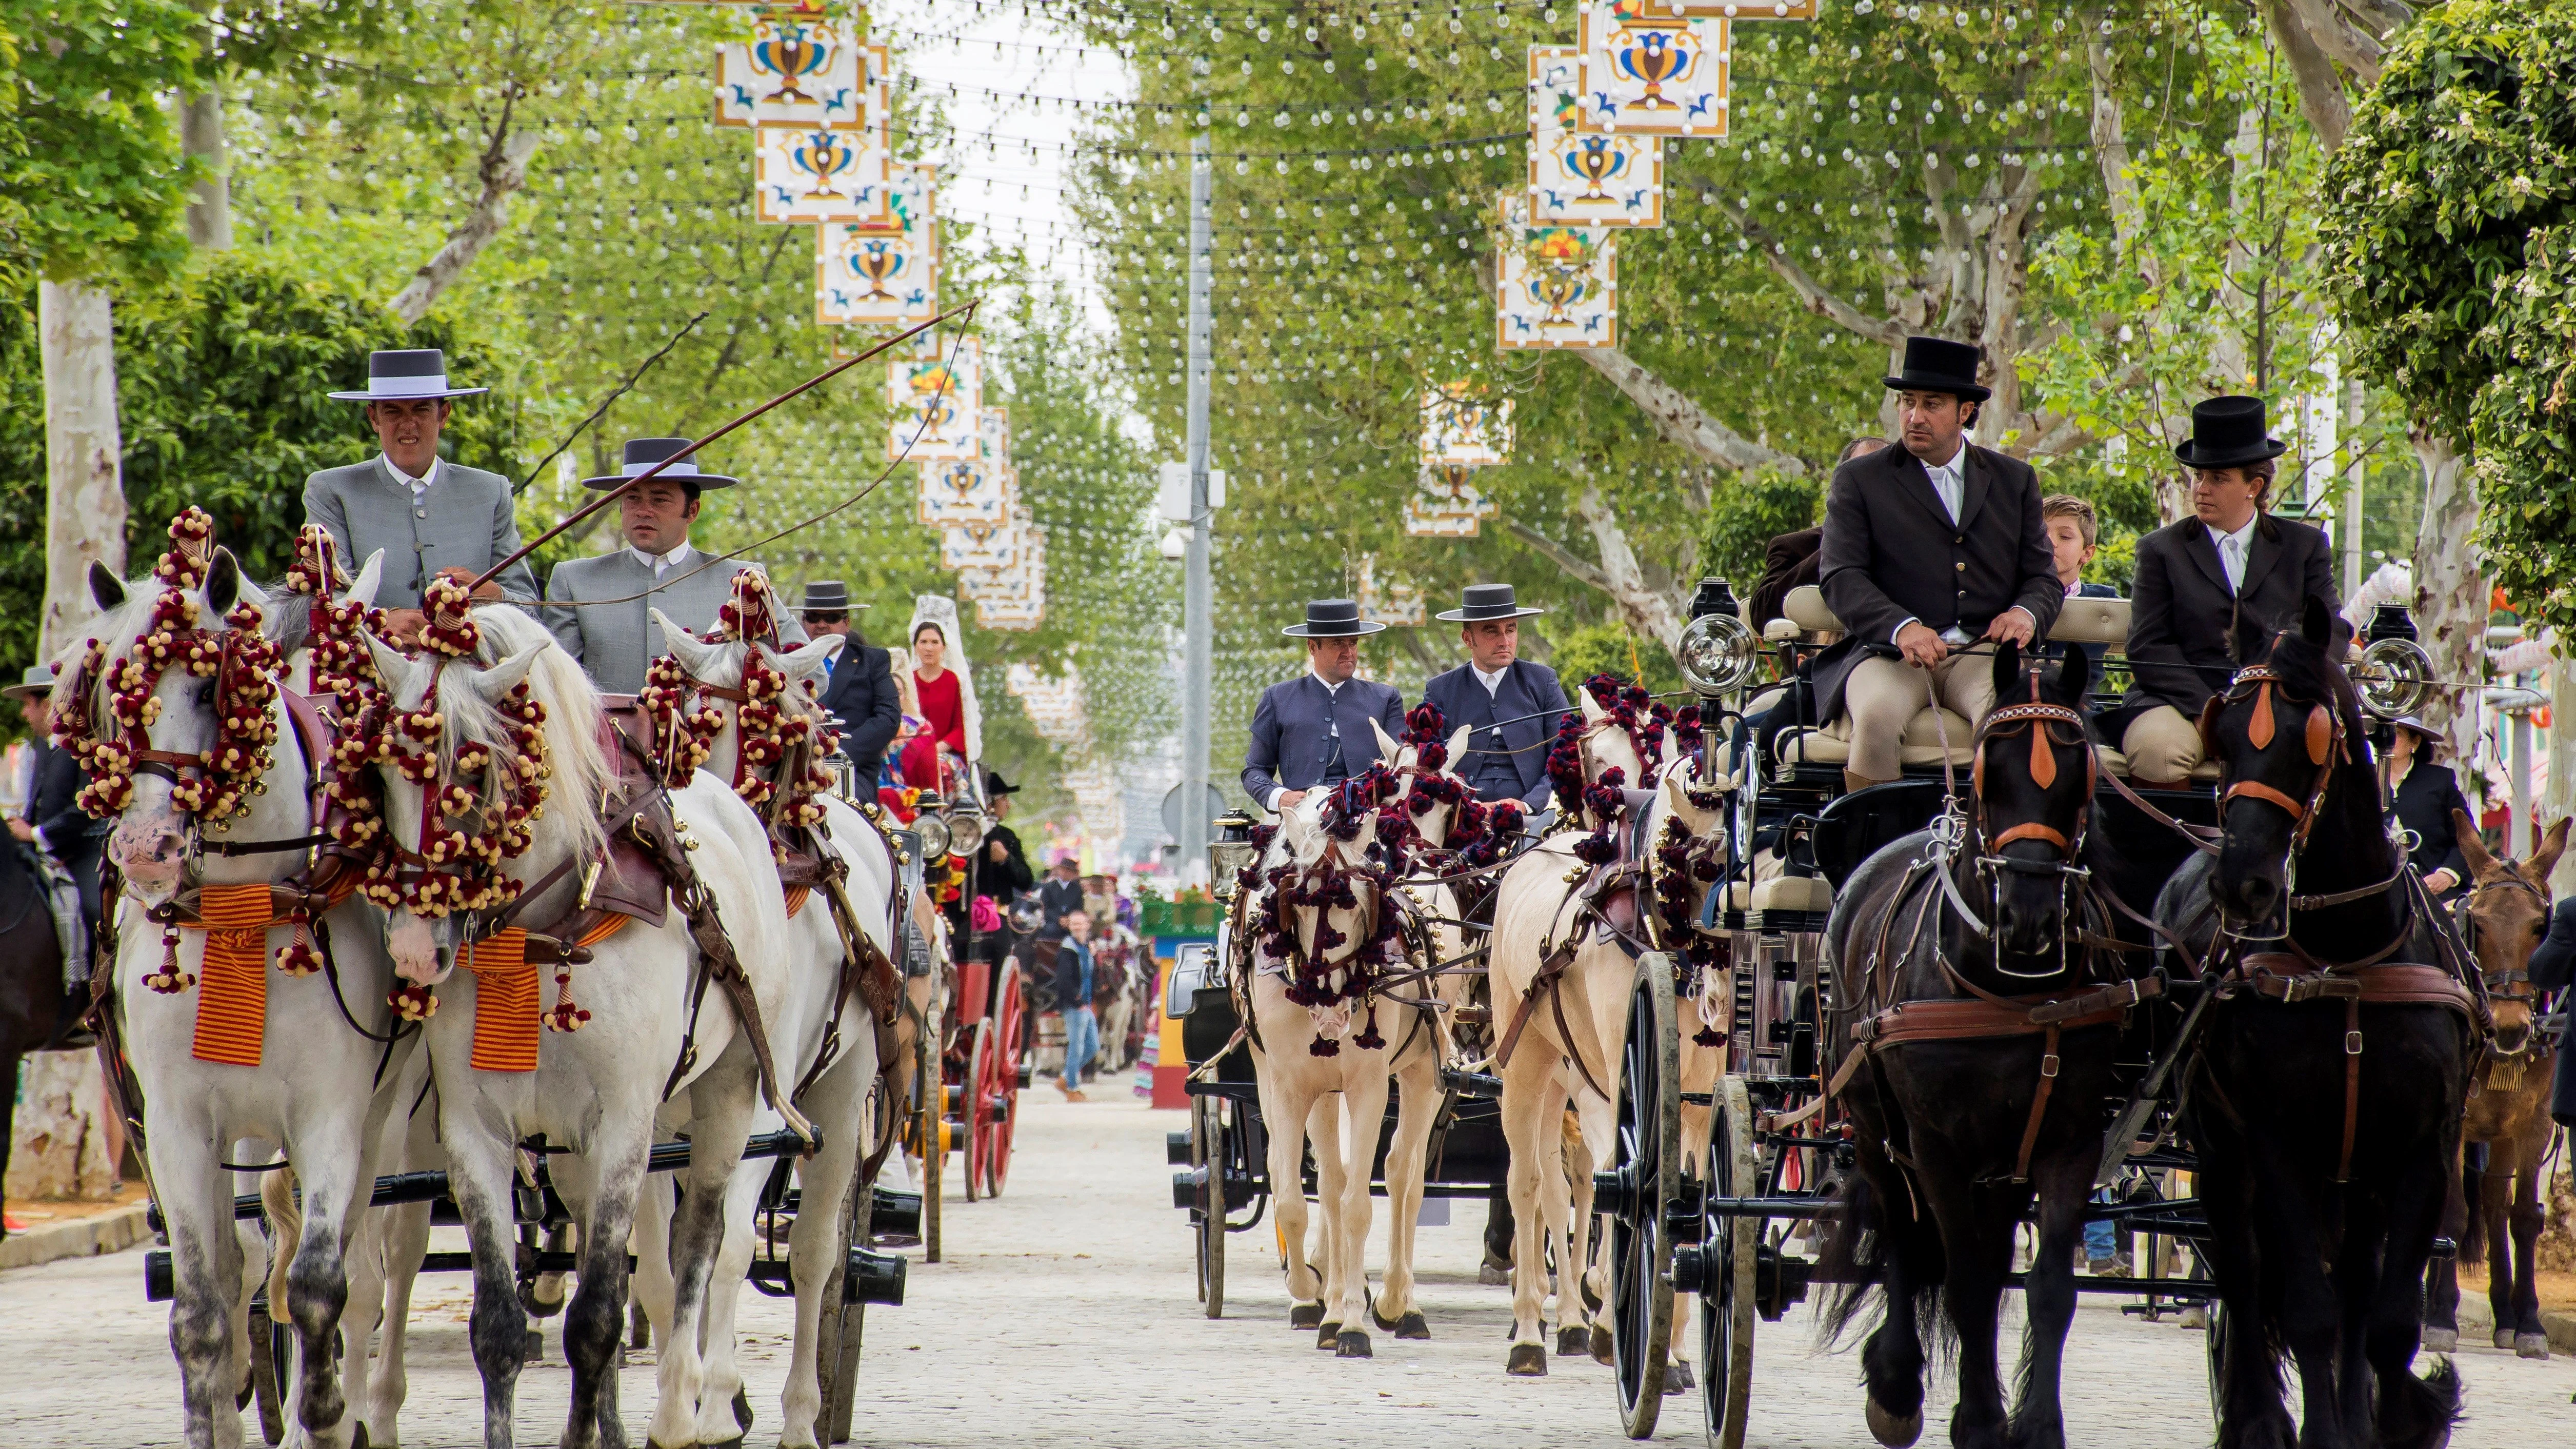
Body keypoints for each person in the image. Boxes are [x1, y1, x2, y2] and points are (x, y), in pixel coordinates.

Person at [1814, 337, 2062, 792]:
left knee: (2013, 715)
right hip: (1888, 655)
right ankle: (1876, 855)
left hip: (1982, 652)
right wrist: (1900, 626)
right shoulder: (1859, 479)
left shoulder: (2014, 480)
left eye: (1931, 404)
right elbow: (1840, 575)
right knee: (1875, 720)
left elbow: (2043, 578)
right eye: (1907, 402)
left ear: (1965, 411)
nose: (1913, 416)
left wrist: (2024, 614)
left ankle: (1993, 852)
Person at [2116, 397, 2348, 788]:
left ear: (2253, 487)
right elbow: (2147, 646)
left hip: (2280, 697)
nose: (2200, 489)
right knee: (2159, 750)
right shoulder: (2159, 549)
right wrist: (2210, 708)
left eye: (2217, 478)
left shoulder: (2305, 545)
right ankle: (2172, 847)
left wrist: (2278, 692)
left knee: (2316, 746)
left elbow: (2330, 631)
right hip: (2182, 701)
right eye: (2197, 476)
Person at [539, 437, 805, 696]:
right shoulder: (575, 579)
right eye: (632, 498)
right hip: (607, 738)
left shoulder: (740, 581)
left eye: (660, 500)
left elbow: (807, 672)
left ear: (693, 511)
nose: (643, 511)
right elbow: (553, 681)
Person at [304, 348, 538, 639]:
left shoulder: (491, 491)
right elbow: (324, 597)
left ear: (444, 415)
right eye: (393, 411)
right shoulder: (331, 490)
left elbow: (530, 605)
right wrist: (379, 620)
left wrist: (491, 592)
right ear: (374, 418)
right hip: (368, 672)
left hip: (472, 674)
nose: (408, 424)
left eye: (421, 409)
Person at [1241, 599, 1407, 813]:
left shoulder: (1386, 698)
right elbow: (1255, 770)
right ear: (1313, 647)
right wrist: (1282, 797)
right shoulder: (1277, 698)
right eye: (1338, 643)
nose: (1349, 652)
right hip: (1301, 821)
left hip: (1370, 819)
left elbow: (1402, 767)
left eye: (1353, 643)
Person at [1420, 584, 1567, 817]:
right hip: (1461, 816)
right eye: (1492, 632)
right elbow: (1427, 766)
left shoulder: (1542, 682)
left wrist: (1528, 804)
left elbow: (1565, 753)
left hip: (1535, 816)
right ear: (1468, 639)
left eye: (1511, 630)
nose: (1505, 641)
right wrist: (1465, 804)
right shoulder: (1440, 691)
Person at [1751, 436, 1889, 629]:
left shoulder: (1922, 539)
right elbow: (1762, 615)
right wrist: (1840, 545)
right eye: (1863, 475)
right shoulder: (1792, 547)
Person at [797, 580, 902, 783]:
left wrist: (838, 754)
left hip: (853, 771)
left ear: (847, 623)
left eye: (832, 617)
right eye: (813, 617)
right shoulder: (787, 662)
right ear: (803, 622)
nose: (821, 625)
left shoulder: (872, 662)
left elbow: (888, 717)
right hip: (794, 770)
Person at [892, 597, 983, 796]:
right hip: (910, 751)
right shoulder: (908, 682)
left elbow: (959, 729)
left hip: (943, 752)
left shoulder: (952, 681)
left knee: (940, 771)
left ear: (944, 647)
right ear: (915, 646)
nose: (929, 648)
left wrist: (932, 749)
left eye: (935, 642)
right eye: (923, 642)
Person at [2382, 716, 2471, 900]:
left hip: (2433, 890)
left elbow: (2467, 837)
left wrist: (2446, 875)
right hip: (2375, 890)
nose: (2387, 738)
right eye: (2383, 733)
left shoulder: (2439, 781)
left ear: (2414, 742)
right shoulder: (2361, 782)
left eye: (2396, 733)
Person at [1054, 908, 1098, 1101]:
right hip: (1074, 1005)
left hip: (1086, 1004)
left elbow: (1090, 975)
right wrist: (1077, 1001)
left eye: (1081, 923)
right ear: (1070, 927)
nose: (1079, 927)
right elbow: (1064, 980)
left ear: (1088, 925)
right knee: (1077, 1047)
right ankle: (1072, 1088)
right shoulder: (1067, 950)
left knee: (1093, 1046)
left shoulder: (1086, 948)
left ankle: (1065, 1078)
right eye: (1075, 924)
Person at [1035, 853, 1085, 945]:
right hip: (1053, 921)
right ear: (1059, 870)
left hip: (1072, 922)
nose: (1065, 873)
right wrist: (1059, 919)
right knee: (1051, 930)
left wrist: (1069, 919)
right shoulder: (1048, 887)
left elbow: (1079, 908)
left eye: (1069, 871)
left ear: (1074, 874)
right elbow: (1046, 908)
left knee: (1079, 933)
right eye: (1063, 870)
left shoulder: (1077, 889)